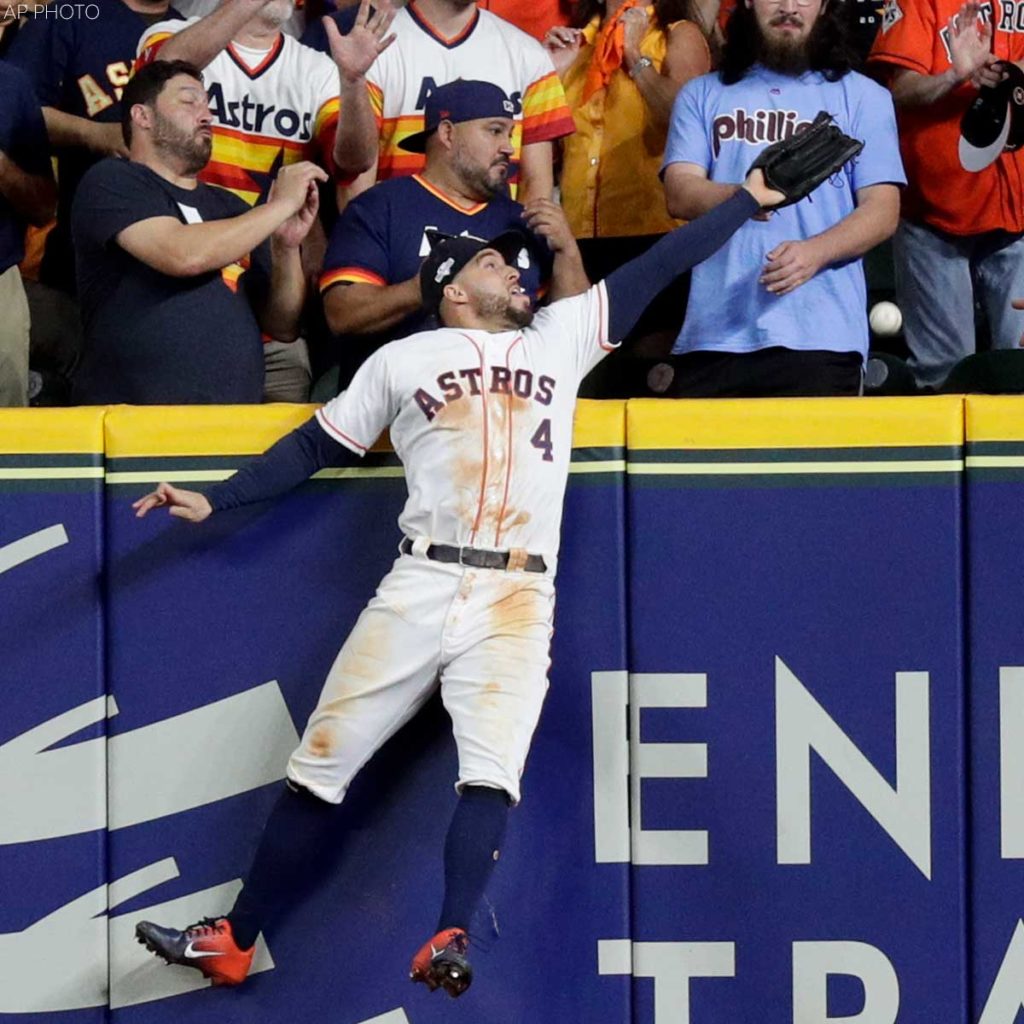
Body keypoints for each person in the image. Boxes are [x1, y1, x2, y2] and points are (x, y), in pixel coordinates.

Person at [128, 148, 816, 997]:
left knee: (492, 770)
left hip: (519, 594)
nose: (516, 269)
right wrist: (219, 499)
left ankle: (451, 931)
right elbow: (314, 443)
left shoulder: (558, 339)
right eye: (495, 261)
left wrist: (746, 200)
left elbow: (659, 265)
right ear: (452, 286)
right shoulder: (399, 361)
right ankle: (234, 939)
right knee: (322, 761)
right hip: (420, 582)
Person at [135, 0, 396, 400]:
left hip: (271, 294)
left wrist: (354, 81)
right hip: (175, 289)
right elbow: (160, 72)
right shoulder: (170, 34)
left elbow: (353, 161)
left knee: (275, 442)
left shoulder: (316, 68)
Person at [660, 0, 904, 396]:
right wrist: (745, 199)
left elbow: (882, 210)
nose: (789, 7)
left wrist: (816, 253)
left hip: (822, 337)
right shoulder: (701, 94)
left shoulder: (865, 97)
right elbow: (680, 192)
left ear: (824, 6)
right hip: (714, 334)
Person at [70, 59, 325, 404]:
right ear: (142, 117)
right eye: (190, 102)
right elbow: (182, 255)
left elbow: (281, 324)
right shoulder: (113, 181)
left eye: (208, 106)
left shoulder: (231, 207)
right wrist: (279, 206)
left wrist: (285, 247)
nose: (206, 116)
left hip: (227, 426)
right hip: (134, 424)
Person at [320, 79, 589, 385]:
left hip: (510, 407)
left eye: (510, 134)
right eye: (495, 130)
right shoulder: (382, 206)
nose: (508, 147)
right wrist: (423, 287)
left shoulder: (524, 219)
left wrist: (568, 251)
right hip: (399, 405)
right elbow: (341, 314)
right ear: (447, 133)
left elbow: (575, 330)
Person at [868, 0, 1024, 391]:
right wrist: (955, 75)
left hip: (1018, 209)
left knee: (1020, 366)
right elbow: (898, 91)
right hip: (935, 215)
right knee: (945, 375)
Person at [315, 0, 576, 207]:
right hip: (399, 247)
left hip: (495, 254)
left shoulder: (529, 56)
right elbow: (356, 185)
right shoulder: (369, 51)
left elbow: (536, 187)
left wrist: (515, 255)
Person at [544, 0, 710, 239]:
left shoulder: (678, 33)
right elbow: (545, 151)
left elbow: (686, 119)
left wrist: (634, 54)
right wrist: (549, 76)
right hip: (577, 233)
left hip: (653, 234)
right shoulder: (576, 44)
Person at [0, 62, 56, 406]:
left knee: (8, 437)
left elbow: (44, 207)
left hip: (1, 285)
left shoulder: (12, 83)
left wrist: (2, 169)